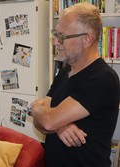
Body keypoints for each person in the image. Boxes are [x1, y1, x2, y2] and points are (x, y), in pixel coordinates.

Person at [31, 3, 120, 167]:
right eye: (55, 34)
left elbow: (47, 120)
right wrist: (59, 126)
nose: (55, 42)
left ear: (87, 39)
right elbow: (41, 122)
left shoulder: (103, 79)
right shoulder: (65, 72)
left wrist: (40, 112)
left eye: (62, 37)